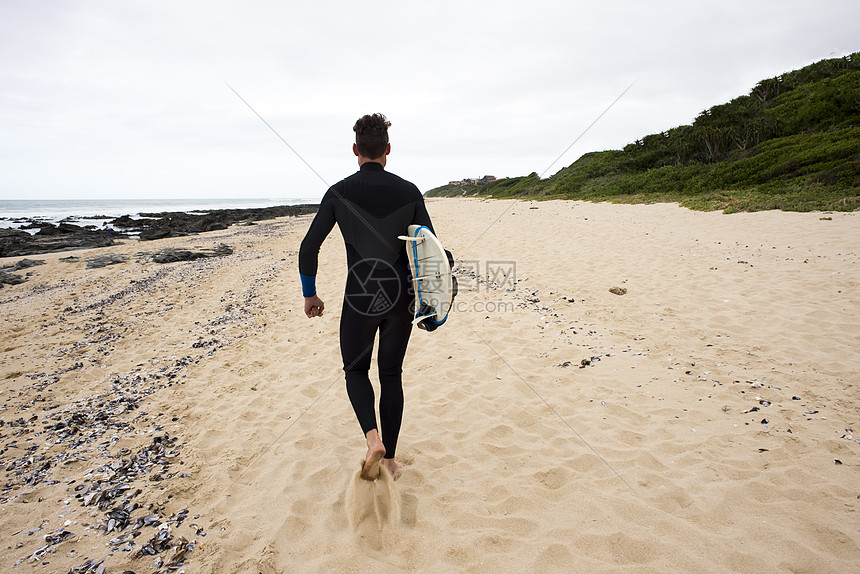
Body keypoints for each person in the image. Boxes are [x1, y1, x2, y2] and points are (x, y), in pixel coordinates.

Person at [298, 113, 435, 481]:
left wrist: (310, 295)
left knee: (356, 370)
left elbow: (308, 248)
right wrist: (431, 303)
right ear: (387, 150)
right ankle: (390, 459)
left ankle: (373, 439)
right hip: (400, 297)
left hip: (360, 295)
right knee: (391, 375)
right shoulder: (409, 192)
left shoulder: (338, 192)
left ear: (355, 149)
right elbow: (432, 252)